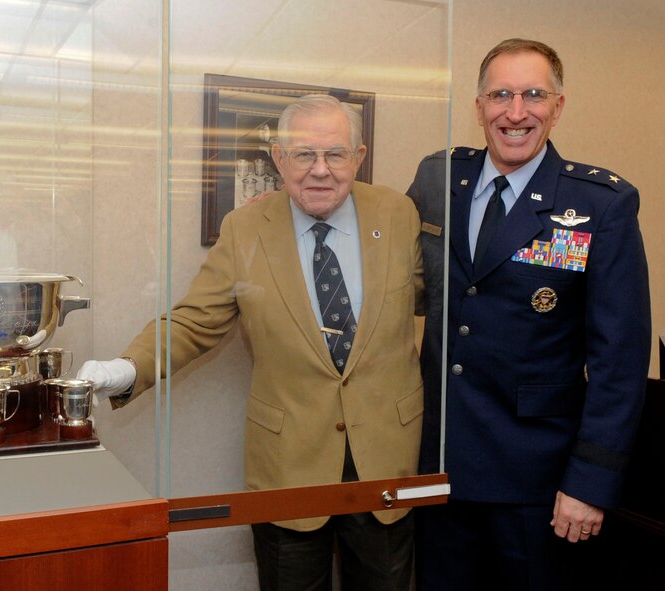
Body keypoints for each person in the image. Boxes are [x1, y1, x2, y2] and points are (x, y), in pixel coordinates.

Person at [78, 94, 425, 590]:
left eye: (335, 154)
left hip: (387, 458)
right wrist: (127, 367)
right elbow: (195, 320)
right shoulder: (245, 229)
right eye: (304, 155)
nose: (320, 170)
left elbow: (447, 299)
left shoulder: (398, 214)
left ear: (359, 156)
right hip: (289, 464)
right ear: (279, 159)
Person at [406, 38, 651, 590]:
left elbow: (619, 362)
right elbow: (386, 255)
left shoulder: (599, 205)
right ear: (479, 107)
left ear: (557, 106)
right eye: (501, 95)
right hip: (441, 469)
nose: (516, 113)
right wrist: (287, 208)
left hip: (538, 483)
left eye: (533, 95)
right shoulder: (438, 179)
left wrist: (589, 484)